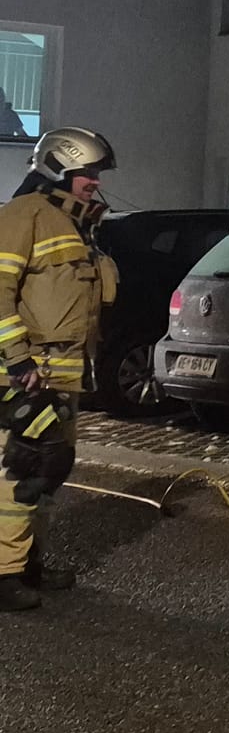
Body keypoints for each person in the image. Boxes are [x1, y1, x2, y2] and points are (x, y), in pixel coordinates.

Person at [0, 128, 117, 613]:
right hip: (28, 375)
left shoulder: (71, 224)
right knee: (21, 474)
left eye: (95, 174)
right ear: (57, 170)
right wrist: (18, 359)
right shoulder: (23, 217)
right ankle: (3, 574)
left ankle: (28, 562)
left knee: (49, 471)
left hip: (62, 376)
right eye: (85, 173)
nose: (93, 182)